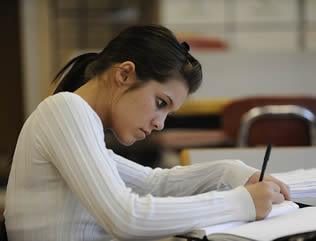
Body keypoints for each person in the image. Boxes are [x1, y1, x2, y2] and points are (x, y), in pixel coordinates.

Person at [4, 25, 290, 241]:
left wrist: (230, 172)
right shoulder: (66, 110)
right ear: (124, 74)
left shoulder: (76, 119)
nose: (160, 124)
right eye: (160, 103)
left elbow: (154, 182)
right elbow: (126, 216)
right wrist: (242, 203)